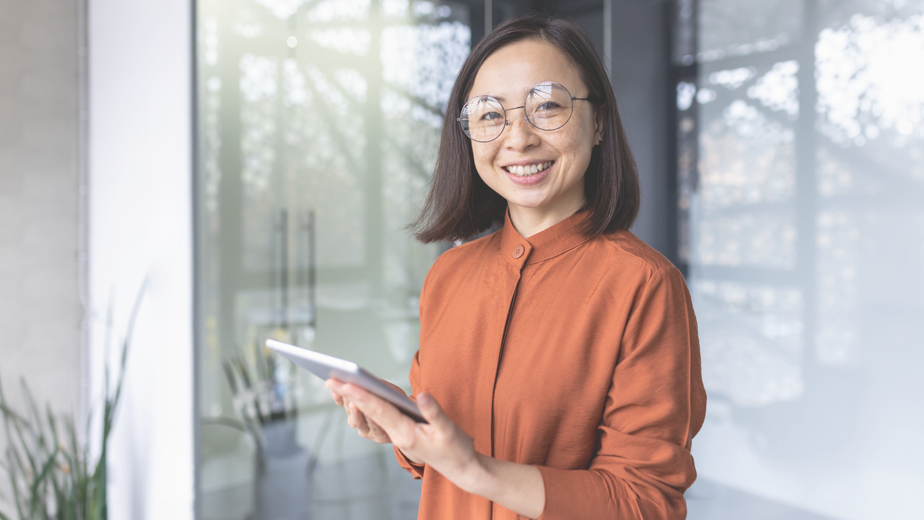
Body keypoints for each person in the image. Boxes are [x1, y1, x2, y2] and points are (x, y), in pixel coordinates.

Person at [325, 14, 706, 520]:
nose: (518, 137)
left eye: (547, 105)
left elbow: (643, 502)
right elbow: (437, 460)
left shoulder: (644, 285)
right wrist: (406, 431)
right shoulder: (448, 276)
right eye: (489, 115)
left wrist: (473, 468)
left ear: (598, 124)